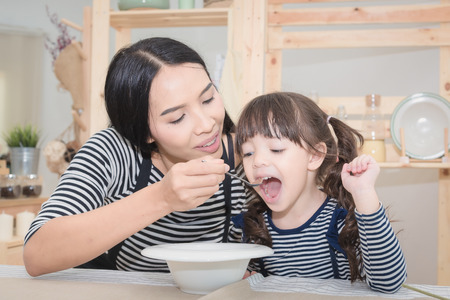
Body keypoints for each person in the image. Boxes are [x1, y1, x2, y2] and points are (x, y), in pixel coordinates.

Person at [23, 37, 255, 276]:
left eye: (208, 99)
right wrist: (161, 198)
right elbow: (37, 254)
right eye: (177, 118)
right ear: (144, 131)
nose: (207, 125)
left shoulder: (247, 152)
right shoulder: (112, 152)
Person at [232, 92, 407, 293]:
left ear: (315, 156)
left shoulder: (341, 221)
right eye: (248, 153)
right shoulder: (249, 228)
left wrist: (364, 194)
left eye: (276, 149)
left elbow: (389, 283)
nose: (257, 161)